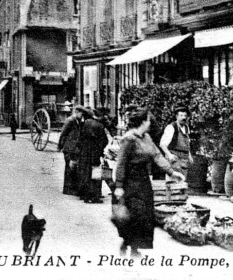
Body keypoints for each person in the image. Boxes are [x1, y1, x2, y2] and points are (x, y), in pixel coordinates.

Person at [114, 107, 185, 256]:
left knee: (145, 215)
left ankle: (134, 246)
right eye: (147, 120)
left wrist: (172, 173)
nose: (150, 122)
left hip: (143, 180)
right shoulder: (129, 139)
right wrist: (119, 186)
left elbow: (157, 156)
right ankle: (127, 243)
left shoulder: (146, 138)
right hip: (130, 181)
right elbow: (121, 163)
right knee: (134, 214)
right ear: (142, 121)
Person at [76, 108, 109, 203]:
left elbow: (80, 138)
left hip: (84, 152)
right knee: (96, 174)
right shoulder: (100, 126)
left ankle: (86, 196)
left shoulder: (86, 123)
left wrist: (81, 149)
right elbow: (105, 141)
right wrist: (100, 149)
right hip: (94, 153)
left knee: (85, 173)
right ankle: (95, 196)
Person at [159, 106, 193, 182]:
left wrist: (189, 155)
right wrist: (169, 155)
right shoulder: (171, 127)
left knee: (182, 184)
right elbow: (162, 144)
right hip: (174, 159)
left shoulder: (186, 128)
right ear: (176, 116)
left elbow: (187, 143)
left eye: (185, 116)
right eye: (181, 115)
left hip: (184, 160)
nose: (183, 118)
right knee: (173, 185)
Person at [58, 106, 83, 196]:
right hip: (68, 148)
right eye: (81, 113)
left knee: (72, 168)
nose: (82, 115)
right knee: (69, 167)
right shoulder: (70, 120)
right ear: (76, 112)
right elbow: (63, 133)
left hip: (73, 148)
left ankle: (72, 188)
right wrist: (60, 145)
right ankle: (67, 189)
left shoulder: (77, 121)